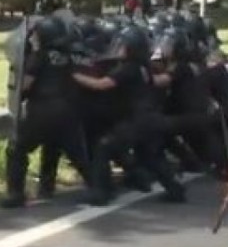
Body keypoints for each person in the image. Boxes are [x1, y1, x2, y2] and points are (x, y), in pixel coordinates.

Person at [72, 26, 186, 206]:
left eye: (122, 45)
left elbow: (102, 84)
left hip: (137, 120)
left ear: (131, 48)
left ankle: (100, 193)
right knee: (150, 155)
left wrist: (75, 76)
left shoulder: (128, 68)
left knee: (104, 147)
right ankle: (175, 189)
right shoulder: (144, 67)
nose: (118, 48)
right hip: (150, 118)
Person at [2, 16, 90, 208]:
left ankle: (16, 193)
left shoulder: (39, 56)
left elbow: (24, 86)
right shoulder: (69, 55)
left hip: (43, 110)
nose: (33, 37)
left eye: (36, 35)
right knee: (77, 154)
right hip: (68, 111)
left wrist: (19, 71)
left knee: (17, 148)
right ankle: (99, 187)